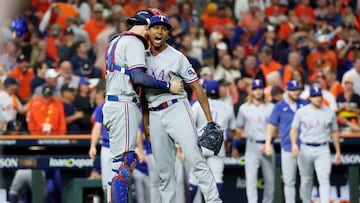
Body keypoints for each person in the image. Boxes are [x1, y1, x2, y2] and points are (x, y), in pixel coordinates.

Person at [102, 10, 184, 203]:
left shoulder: (117, 40)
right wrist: (168, 86)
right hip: (123, 104)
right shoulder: (134, 42)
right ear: (147, 25)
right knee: (124, 164)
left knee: (119, 166)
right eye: (154, 26)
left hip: (115, 103)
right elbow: (139, 77)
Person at [143, 15, 221, 203]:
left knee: (196, 160)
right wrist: (145, 123)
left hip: (176, 108)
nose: (159, 31)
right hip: (154, 114)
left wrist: (209, 120)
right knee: (164, 172)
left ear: (168, 33)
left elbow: (197, 88)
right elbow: (142, 93)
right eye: (155, 27)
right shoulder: (141, 57)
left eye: (164, 28)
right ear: (148, 31)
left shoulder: (177, 57)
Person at [187, 79, 236, 202]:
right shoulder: (228, 107)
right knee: (217, 178)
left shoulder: (198, 104)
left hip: (200, 145)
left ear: (206, 91)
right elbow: (233, 131)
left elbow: (190, 125)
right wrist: (230, 142)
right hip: (218, 147)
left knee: (194, 178)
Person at [290, 86, 341, 203]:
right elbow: (293, 129)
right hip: (305, 148)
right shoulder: (302, 111)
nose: (317, 99)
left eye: (319, 96)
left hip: (322, 148)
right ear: (310, 98)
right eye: (314, 96)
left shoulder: (329, 112)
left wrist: (338, 151)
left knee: (324, 179)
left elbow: (334, 132)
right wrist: (294, 144)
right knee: (306, 180)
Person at [264, 80, 309, 203]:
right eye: (293, 90)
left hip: (305, 147)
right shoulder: (279, 106)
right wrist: (268, 143)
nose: (295, 92)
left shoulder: (305, 104)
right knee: (289, 181)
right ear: (287, 90)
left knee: (306, 179)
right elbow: (271, 125)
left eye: (297, 90)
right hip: (287, 147)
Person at [235, 79, 275, 203]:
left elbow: (275, 129)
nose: (258, 91)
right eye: (255, 89)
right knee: (251, 180)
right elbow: (238, 128)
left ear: (263, 90)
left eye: (260, 89)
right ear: (251, 91)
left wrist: (269, 143)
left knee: (270, 180)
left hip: (267, 145)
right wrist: (236, 144)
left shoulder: (271, 107)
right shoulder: (244, 108)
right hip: (251, 145)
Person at [88, 90, 111, 203]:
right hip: (107, 146)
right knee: (106, 184)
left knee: (122, 182)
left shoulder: (124, 107)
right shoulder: (102, 107)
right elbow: (97, 128)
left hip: (122, 148)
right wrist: (93, 146)